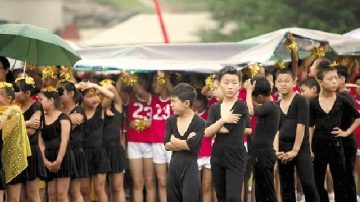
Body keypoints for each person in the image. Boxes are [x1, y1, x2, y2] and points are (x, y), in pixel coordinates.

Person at [310, 64, 360, 202]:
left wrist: (347, 132)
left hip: (337, 145)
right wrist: (309, 147)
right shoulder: (313, 103)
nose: (334, 81)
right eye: (330, 79)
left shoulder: (343, 100)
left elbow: (357, 117)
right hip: (318, 146)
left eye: (336, 78)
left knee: (341, 181)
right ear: (320, 82)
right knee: (317, 181)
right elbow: (310, 126)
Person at [273, 69, 319, 202]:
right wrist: (276, 151)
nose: (283, 84)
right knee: (286, 187)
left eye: (287, 81)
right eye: (280, 81)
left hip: (301, 148)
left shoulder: (300, 100)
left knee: (308, 183)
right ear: (275, 84)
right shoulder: (276, 106)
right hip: (283, 149)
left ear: (293, 82)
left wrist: (295, 150)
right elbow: (276, 131)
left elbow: (301, 126)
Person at [205, 66, 250, 202]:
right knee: (221, 197)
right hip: (218, 155)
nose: (230, 86)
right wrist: (223, 120)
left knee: (233, 197)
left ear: (240, 85)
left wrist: (216, 127)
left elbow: (227, 129)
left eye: (234, 83)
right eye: (226, 82)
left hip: (236, 156)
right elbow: (206, 132)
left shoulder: (241, 106)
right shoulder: (214, 108)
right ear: (219, 84)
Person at [165, 83, 205, 202]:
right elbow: (167, 145)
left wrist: (174, 141)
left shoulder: (200, 123)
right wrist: (186, 143)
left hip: (190, 168)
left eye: (174, 101)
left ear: (186, 103)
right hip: (173, 167)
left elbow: (192, 147)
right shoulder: (171, 121)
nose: (171, 105)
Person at [244, 76, 279, 202]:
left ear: (259, 97)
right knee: (260, 189)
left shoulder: (271, 107)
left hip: (264, 153)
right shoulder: (267, 107)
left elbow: (250, 111)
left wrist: (248, 91)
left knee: (267, 189)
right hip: (258, 152)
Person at [78, 81, 114, 202]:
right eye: (89, 96)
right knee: (85, 190)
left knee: (99, 188)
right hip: (83, 154)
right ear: (81, 98)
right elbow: (61, 94)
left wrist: (95, 86)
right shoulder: (78, 111)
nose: (94, 99)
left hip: (99, 153)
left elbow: (111, 95)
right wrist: (77, 86)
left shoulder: (100, 109)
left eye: (95, 95)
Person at [38, 86, 74, 202]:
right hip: (48, 156)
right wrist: (45, 161)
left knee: (61, 194)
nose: (39, 102)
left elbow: (65, 140)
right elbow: (41, 141)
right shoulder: (42, 118)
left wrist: (58, 160)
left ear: (51, 101)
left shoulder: (63, 117)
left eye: (41, 100)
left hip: (63, 157)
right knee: (51, 194)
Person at [14, 76, 47, 202]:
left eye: (17, 90)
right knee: (21, 196)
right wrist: (25, 124)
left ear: (27, 93)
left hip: (31, 153)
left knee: (33, 195)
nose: (14, 93)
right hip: (18, 152)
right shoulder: (16, 108)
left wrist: (14, 128)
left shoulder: (37, 106)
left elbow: (31, 131)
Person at [0, 82, 31, 202]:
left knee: (13, 198)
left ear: (9, 98)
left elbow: (4, 131)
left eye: (0, 95)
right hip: (1, 159)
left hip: (13, 158)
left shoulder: (14, 110)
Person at [58, 80, 88, 202]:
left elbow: (68, 128)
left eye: (60, 92)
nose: (57, 94)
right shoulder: (58, 110)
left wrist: (56, 122)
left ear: (71, 94)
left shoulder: (78, 110)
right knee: (61, 192)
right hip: (60, 152)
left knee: (74, 191)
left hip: (74, 153)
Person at [99, 79, 126, 202]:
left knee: (117, 186)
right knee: (102, 187)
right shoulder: (98, 108)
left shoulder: (117, 106)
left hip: (115, 149)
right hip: (101, 149)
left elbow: (113, 91)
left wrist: (109, 86)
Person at [150, 71, 173, 202]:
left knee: (173, 180)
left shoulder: (175, 99)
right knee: (162, 181)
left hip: (172, 143)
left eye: (158, 81)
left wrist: (164, 77)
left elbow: (174, 91)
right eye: (154, 81)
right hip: (157, 143)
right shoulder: (151, 99)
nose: (156, 84)